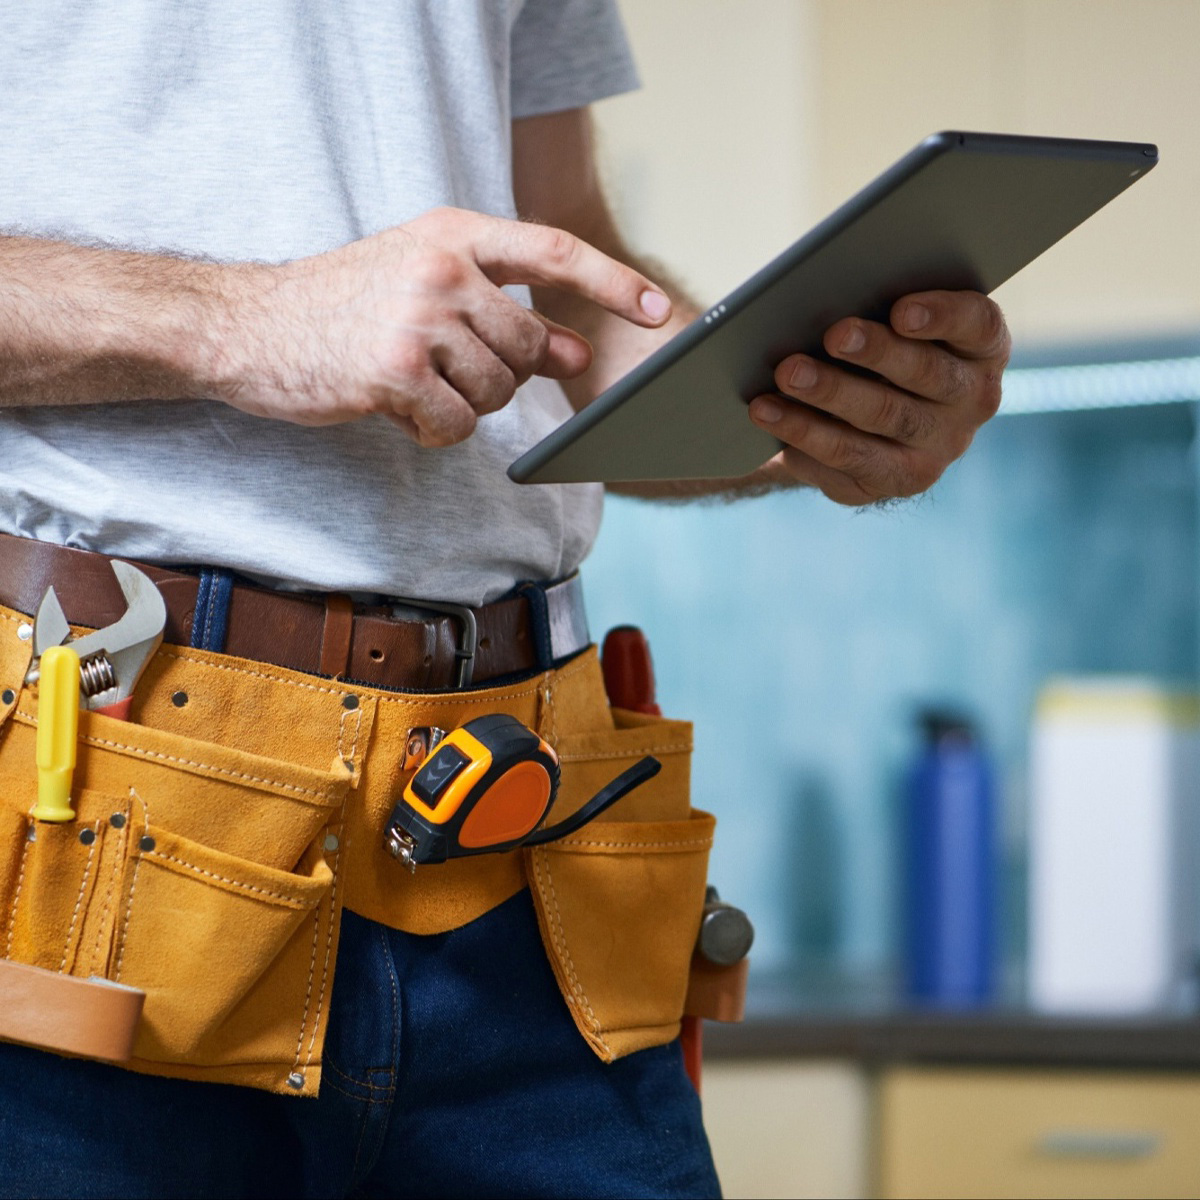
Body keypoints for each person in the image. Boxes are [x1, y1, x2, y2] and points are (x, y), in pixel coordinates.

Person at [0, 2, 1009, 1197]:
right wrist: (244, 319)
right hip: (108, 814)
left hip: (535, 827)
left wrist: (788, 417)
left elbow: (564, 283)